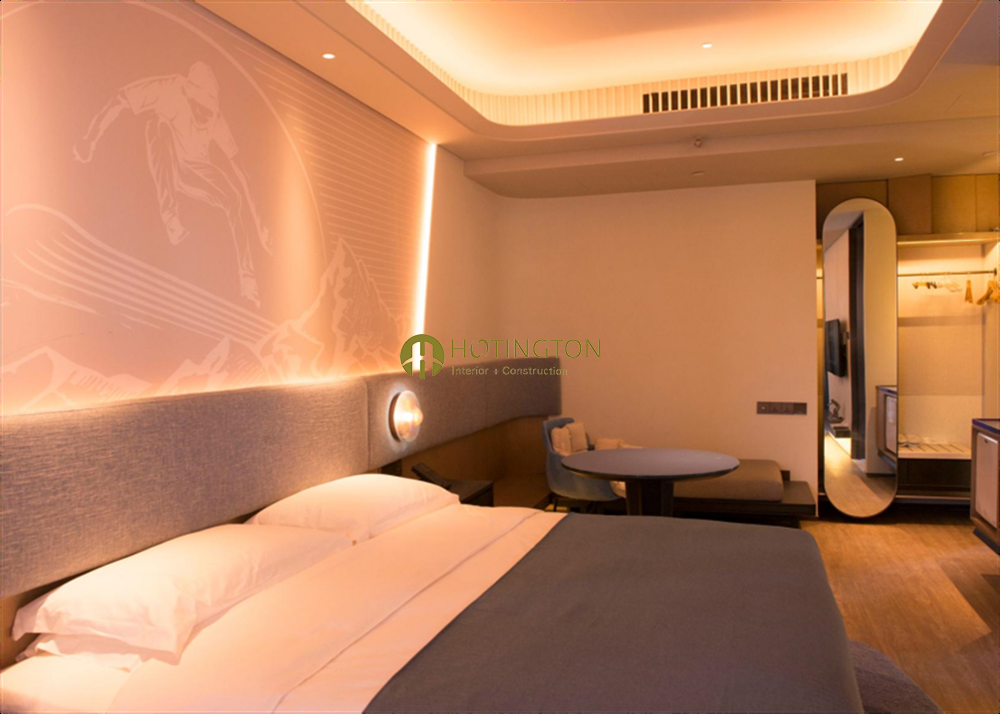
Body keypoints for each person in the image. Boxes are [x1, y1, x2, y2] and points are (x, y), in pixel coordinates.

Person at [75, 62, 271, 306]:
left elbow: (240, 168)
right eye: (199, 110)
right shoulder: (169, 89)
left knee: (233, 199)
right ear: (188, 96)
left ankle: (248, 278)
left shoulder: (216, 120)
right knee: (157, 125)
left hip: (196, 170)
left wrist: (261, 227)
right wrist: (90, 138)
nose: (204, 117)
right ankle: (171, 218)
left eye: (208, 113)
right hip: (169, 155)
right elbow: (121, 99)